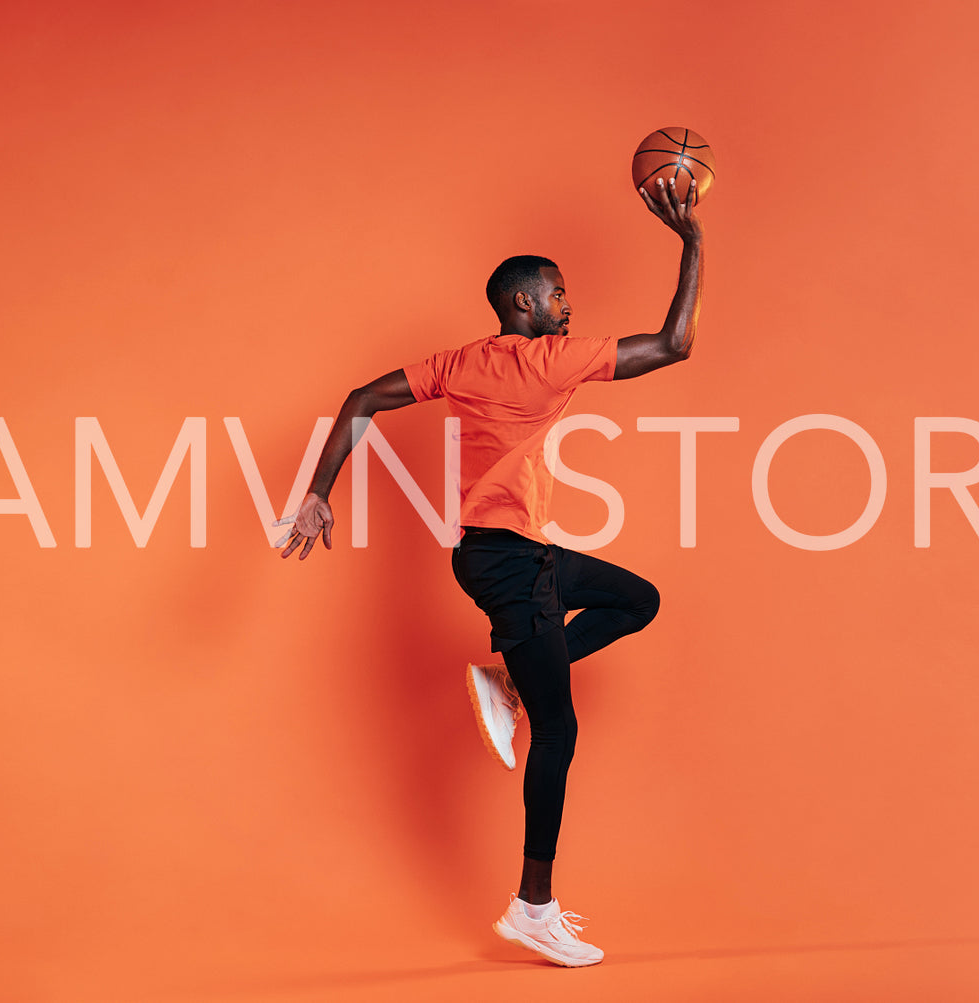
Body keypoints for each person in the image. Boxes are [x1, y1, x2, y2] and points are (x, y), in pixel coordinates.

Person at [275, 176, 704, 967]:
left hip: (504, 552)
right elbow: (674, 344)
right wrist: (691, 241)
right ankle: (531, 907)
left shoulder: (459, 362)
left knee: (634, 599)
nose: (568, 307)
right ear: (522, 304)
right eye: (557, 295)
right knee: (560, 730)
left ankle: (508, 681)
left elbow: (361, 396)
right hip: (508, 564)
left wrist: (316, 494)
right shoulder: (548, 360)